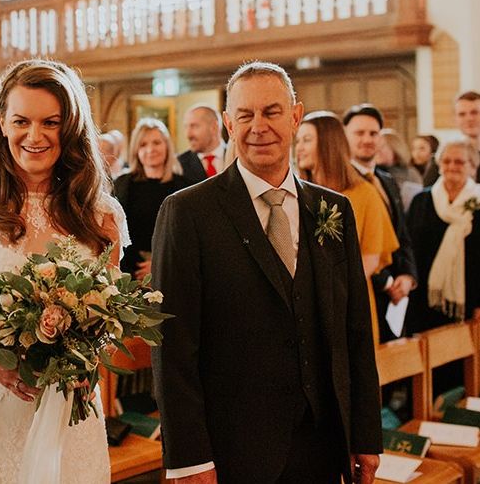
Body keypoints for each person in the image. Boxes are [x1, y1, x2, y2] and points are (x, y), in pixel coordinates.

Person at [152, 62, 382, 484]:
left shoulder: (333, 210)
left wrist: (365, 433)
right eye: (245, 115)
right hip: (232, 447)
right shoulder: (188, 212)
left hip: (324, 442)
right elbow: (172, 345)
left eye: (272, 112)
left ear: (295, 116)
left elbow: (355, 332)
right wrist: (189, 459)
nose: (259, 126)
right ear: (228, 123)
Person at [0, 59, 128, 483]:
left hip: (68, 413)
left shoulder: (101, 217)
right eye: (21, 120)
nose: (34, 136)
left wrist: (85, 357)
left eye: (50, 122)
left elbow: (110, 324)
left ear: (70, 127)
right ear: (0, 122)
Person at [297, 111, 399, 343]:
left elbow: (371, 258)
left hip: (347, 300)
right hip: (305, 306)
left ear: (328, 143)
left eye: (307, 140)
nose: (299, 148)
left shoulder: (363, 194)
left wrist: (329, 290)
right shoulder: (299, 195)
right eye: (298, 141)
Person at [342, 104, 417, 342]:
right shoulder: (342, 184)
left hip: (397, 295)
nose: (367, 139)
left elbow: (402, 233)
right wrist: (386, 282)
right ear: (344, 136)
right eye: (359, 133)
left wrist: (407, 275)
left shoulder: (386, 180)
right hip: (366, 292)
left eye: (373, 133)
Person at [405, 139, 480, 334]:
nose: (452, 166)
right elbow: (408, 245)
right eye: (446, 161)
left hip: (472, 297)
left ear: (472, 167)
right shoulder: (422, 201)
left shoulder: (478, 201)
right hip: (425, 299)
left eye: (459, 162)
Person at [113, 118, 189, 279]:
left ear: (167, 146)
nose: (150, 149)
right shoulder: (123, 184)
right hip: (130, 271)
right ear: (135, 150)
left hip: (174, 269)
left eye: (156, 143)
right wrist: (139, 267)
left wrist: (158, 264)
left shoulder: (185, 186)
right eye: (143, 144)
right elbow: (116, 230)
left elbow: (186, 235)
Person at [177, 104, 227, 183]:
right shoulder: (179, 165)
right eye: (186, 127)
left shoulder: (238, 157)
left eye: (194, 126)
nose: (188, 135)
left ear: (214, 127)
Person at [455, 90, 480, 181]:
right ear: (455, 119)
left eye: (475, 112)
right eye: (462, 114)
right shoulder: (444, 158)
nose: (469, 118)